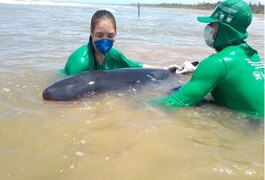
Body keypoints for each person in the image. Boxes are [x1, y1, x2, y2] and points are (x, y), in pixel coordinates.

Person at [151, 0, 264, 119]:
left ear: (224, 27)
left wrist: (137, 105)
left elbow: (175, 103)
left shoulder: (217, 62)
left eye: (212, 24)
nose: (208, 27)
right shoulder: (252, 55)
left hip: (250, 128)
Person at [64, 9, 163, 76]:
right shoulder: (80, 61)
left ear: (115, 35)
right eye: (99, 35)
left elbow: (136, 66)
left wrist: (166, 69)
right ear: (91, 33)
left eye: (110, 36)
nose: (105, 40)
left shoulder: (114, 54)